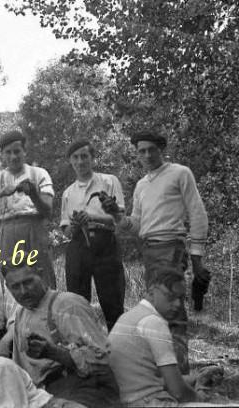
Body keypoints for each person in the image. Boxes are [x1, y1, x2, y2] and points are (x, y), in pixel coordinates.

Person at [101, 130, 208, 374]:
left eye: (151, 149)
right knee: (157, 311)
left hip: (171, 247)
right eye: (141, 151)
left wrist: (197, 259)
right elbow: (137, 226)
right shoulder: (141, 185)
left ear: (161, 149)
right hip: (149, 251)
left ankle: (180, 373)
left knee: (173, 310)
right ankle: (164, 369)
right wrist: (116, 214)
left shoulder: (180, 173)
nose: (147, 155)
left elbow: (198, 214)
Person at [0, 264, 120, 408]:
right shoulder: (21, 314)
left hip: (84, 388)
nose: (23, 291)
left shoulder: (66, 304)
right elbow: (21, 372)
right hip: (43, 394)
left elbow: (103, 359)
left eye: (28, 282)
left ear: (42, 275)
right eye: (16, 287)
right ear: (8, 288)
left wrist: (54, 353)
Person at [109, 269, 226, 407]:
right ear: (152, 292)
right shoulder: (153, 322)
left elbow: (158, 380)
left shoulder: (128, 317)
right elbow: (178, 392)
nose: (177, 304)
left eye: (181, 298)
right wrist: (199, 397)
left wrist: (197, 378)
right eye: (171, 297)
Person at [0, 130, 56, 287]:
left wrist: (33, 195)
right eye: (8, 153)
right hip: (7, 230)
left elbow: (48, 211)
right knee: (8, 277)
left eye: (17, 151)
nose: (13, 157)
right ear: (2, 155)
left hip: (34, 228)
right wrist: (1, 192)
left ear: (25, 151)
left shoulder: (38, 173)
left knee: (41, 275)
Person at [60, 139, 125, 331]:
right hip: (78, 246)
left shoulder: (109, 181)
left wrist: (92, 216)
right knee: (77, 301)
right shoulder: (68, 193)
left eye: (84, 156)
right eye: (75, 158)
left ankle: (118, 347)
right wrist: (74, 225)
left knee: (112, 301)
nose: (80, 162)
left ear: (92, 158)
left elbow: (119, 217)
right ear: (70, 161)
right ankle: (85, 348)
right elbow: (66, 229)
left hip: (106, 245)